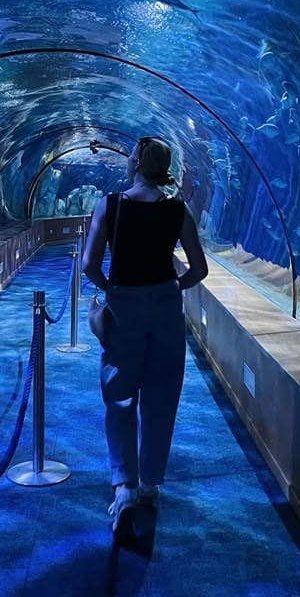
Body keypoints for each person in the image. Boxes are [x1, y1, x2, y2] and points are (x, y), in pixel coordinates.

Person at [82, 136, 209, 538]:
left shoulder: (111, 204)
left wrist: (110, 289)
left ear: (135, 162)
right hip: (166, 308)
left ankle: (124, 487)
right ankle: (151, 482)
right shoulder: (177, 209)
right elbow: (199, 268)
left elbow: (88, 264)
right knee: (162, 392)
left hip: (124, 305)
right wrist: (172, 287)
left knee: (120, 395)